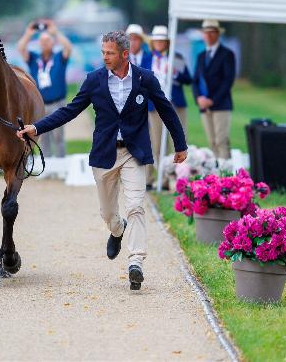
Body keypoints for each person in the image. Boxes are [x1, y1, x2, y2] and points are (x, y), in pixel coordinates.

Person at [17, 31, 187, 290]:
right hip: (105, 154)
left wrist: (180, 144)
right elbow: (70, 110)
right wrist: (37, 128)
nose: (105, 57)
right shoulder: (94, 80)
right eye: (103, 52)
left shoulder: (145, 79)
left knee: (136, 206)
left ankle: (136, 262)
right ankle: (117, 230)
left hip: (134, 153)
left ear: (124, 54)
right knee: (108, 213)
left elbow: (166, 109)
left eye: (110, 53)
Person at [17, 19, 73, 158]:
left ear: (53, 42)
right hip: (40, 103)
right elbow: (21, 49)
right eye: (42, 41)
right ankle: (47, 164)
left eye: (48, 40)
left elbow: (68, 48)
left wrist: (55, 33)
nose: (45, 43)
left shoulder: (59, 57)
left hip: (58, 103)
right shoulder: (35, 58)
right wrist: (29, 34)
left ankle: (60, 164)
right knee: (42, 134)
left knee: (58, 135)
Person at [146, 25, 192, 190]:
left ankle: (182, 180)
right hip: (155, 105)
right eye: (156, 40)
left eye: (162, 40)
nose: (159, 43)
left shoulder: (176, 57)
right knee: (157, 144)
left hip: (175, 103)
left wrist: (175, 73)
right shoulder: (149, 58)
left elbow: (188, 78)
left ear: (167, 42)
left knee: (179, 141)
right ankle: (163, 180)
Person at [192, 19, 236, 160]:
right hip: (204, 106)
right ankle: (217, 176)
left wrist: (212, 100)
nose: (208, 36)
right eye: (206, 33)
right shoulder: (201, 56)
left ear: (217, 34)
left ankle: (227, 177)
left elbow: (228, 81)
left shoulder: (227, 54)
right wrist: (198, 98)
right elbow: (195, 80)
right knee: (212, 142)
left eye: (212, 33)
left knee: (221, 141)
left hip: (221, 104)